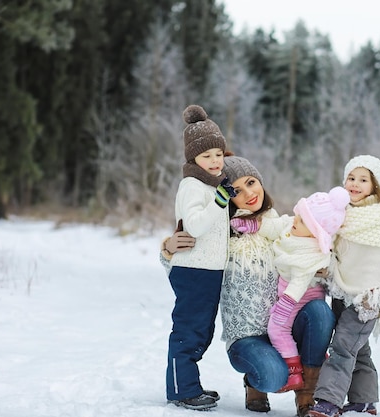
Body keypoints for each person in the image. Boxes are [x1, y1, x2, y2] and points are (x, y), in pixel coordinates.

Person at [161, 155, 335, 417]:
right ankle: (254, 382)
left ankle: (307, 395)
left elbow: (323, 244)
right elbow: (190, 269)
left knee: (320, 312)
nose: (249, 194)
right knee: (273, 375)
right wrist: (168, 250)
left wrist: (324, 268)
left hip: (287, 325)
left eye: (251, 183)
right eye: (237, 190)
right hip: (246, 336)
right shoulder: (219, 233)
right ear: (227, 197)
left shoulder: (286, 226)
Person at [306, 155, 380, 417]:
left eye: (364, 180)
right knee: (357, 349)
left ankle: (328, 401)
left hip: (367, 297)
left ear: (375, 187)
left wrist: (373, 293)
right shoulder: (340, 215)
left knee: (342, 348)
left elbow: (379, 263)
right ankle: (364, 400)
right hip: (341, 291)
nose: (355, 184)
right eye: (351, 178)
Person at [164, 105, 237, 411]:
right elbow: (194, 225)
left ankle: (190, 384)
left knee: (202, 331)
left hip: (208, 270)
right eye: (206, 156)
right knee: (190, 330)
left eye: (218, 154)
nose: (214, 161)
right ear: (193, 159)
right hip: (194, 269)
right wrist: (220, 201)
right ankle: (182, 390)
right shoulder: (192, 186)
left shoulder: (210, 185)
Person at [262, 187, 350, 393]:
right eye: (298, 215)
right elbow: (273, 227)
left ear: (315, 231)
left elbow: (299, 283)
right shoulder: (293, 231)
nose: (294, 220)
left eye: (301, 220)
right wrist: (250, 225)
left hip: (298, 297)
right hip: (291, 293)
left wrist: (284, 305)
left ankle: (293, 371)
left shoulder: (311, 253)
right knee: (279, 326)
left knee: (277, 328)